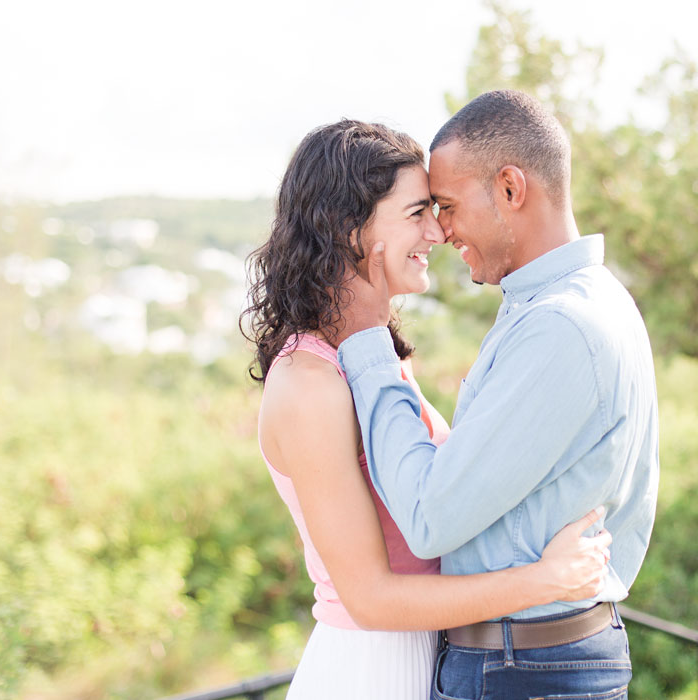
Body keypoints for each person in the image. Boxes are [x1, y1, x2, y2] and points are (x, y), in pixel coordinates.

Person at [241, 119, 613, 700]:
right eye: (417, 212)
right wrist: (543, 581)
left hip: (433, 659)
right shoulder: (308, 383)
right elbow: (370, 597)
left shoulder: (377, 359)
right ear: (350, 230)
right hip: (370, 673)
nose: (437, 233)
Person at [335, 90, 660, 698]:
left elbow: (431, 517)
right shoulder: (583, 304)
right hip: (532, 661)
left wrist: (365, 339)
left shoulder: (560, 326)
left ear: (511, 189)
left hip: (523, 668)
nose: (441, 229)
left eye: (449, 206)